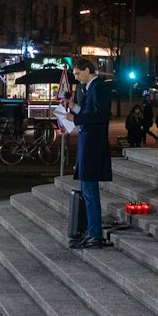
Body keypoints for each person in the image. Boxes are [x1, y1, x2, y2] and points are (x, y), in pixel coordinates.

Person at [68, 60, 114, 249]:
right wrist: (74, 107)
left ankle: (94, 234)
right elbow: (91, 111)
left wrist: (76, 118)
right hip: (88, 144)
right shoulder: (91, 87)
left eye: (78, 73)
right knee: (87, 191)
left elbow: (101, 115)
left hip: (93, 146)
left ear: (87, 70)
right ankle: (90, 232)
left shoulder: (98, 87)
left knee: (90, 192)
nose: (76, 77)